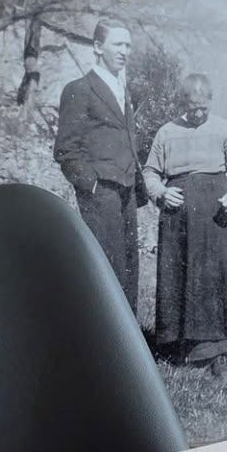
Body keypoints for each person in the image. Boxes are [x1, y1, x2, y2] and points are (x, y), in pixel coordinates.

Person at [143, 74, 227, 371]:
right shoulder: (166, 132)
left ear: (210, 102)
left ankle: (221, 349)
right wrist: (161, 193)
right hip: (179, 218)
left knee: (217, 280)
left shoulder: (223, 129)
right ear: (183, 102)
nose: (198, 113)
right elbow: (150, 173)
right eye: (193, 107)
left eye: (203, 108)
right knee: (184, 281)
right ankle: (184, 346)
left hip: (217, 215)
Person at [54, 19, 141, 312]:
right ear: (97, 47)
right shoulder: (80, 88)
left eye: (128, 45)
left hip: (126, 191)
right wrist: (91, 185)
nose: (125, 51)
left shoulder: (122, 90)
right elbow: (66, 149)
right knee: (107, 268)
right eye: (118, 44)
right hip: (100, 191)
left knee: (129, 268)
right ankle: (104, 347)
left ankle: (129, 346)